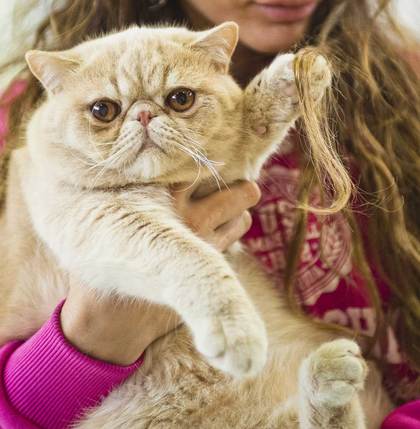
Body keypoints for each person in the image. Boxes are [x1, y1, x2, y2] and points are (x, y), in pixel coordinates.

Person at [0, 0, 419, 428]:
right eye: (105, 111)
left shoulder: (410, 87)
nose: (143, 122)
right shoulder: (24, 134)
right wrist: (100, 331)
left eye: (179, 98)